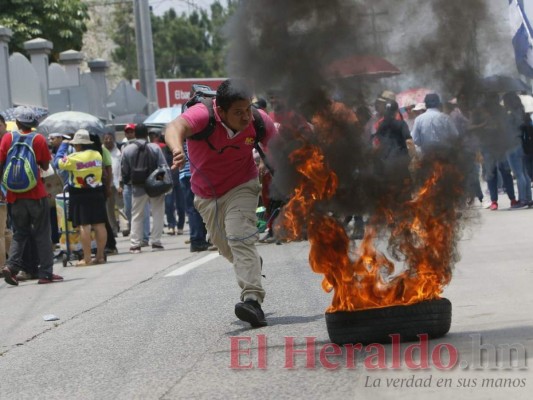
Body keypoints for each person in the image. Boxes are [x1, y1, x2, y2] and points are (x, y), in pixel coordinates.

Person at [165, 79, 277, 327]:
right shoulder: (202, 115)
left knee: (240, 237)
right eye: (238, 112)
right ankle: (251, 264)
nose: (246, 117)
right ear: (221, 110)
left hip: (243, 186)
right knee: (225, 246)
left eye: (248, 109)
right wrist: (176, 149)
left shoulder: (258, 120)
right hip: (206, 195)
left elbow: (280, 146)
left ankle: (252, 301)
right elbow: (174, 128)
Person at [0, 106, 63, 285]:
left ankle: (11, 266)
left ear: (17, 122)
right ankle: (45, 273)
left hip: (14, 196)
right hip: (36, 194)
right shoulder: (38, 139)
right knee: (43, 233)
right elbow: (44, 166)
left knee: (19, 233)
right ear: (34, 123)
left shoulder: (7, 138)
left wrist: (2, 190)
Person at [57, 129, 108, 266]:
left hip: (79, 194)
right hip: (97, 191)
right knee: (99, 224)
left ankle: (87, 258)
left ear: (78, 145)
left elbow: (58, 162)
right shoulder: (97, 155)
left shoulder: (74, 158)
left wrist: (63, 145)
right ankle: (100, 256)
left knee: (84, 225)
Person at [121, 123, 167, 254]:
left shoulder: (128, 149)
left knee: (136, 215)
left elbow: (124, 169)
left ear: (135, 134)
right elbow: (163, 167)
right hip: (155, 187)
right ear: (147, 134)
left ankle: (135, 244)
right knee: (158, 212)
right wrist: (159, 184)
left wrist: (129, 182)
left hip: (137, 186)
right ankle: (156, 242)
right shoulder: (155, 148)